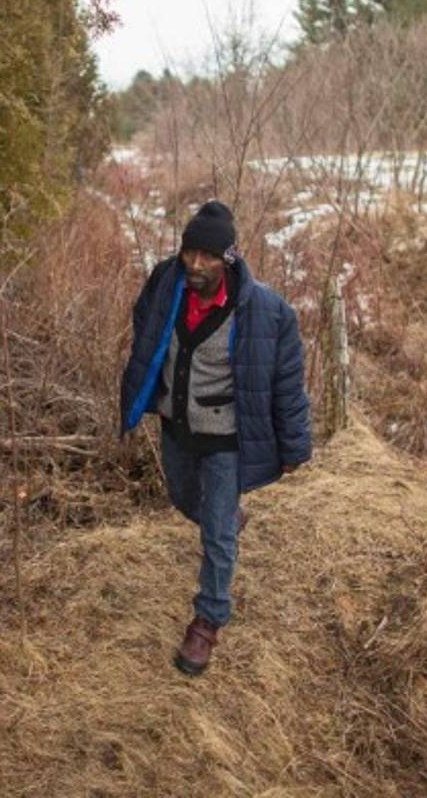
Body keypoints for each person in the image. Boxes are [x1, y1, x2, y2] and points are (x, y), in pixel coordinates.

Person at [120, 200, 312, 676]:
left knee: (217, 534)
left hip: (226, 436)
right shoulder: (166, 283)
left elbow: (287, 383)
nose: (195, 265)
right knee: (185, 499)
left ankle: (207, 622)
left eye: (207, 257)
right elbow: (143, 327)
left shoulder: (266, 313)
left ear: (227, 257)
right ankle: (224, 517)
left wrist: (294, 447)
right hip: (176, 425)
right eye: (189, 254)